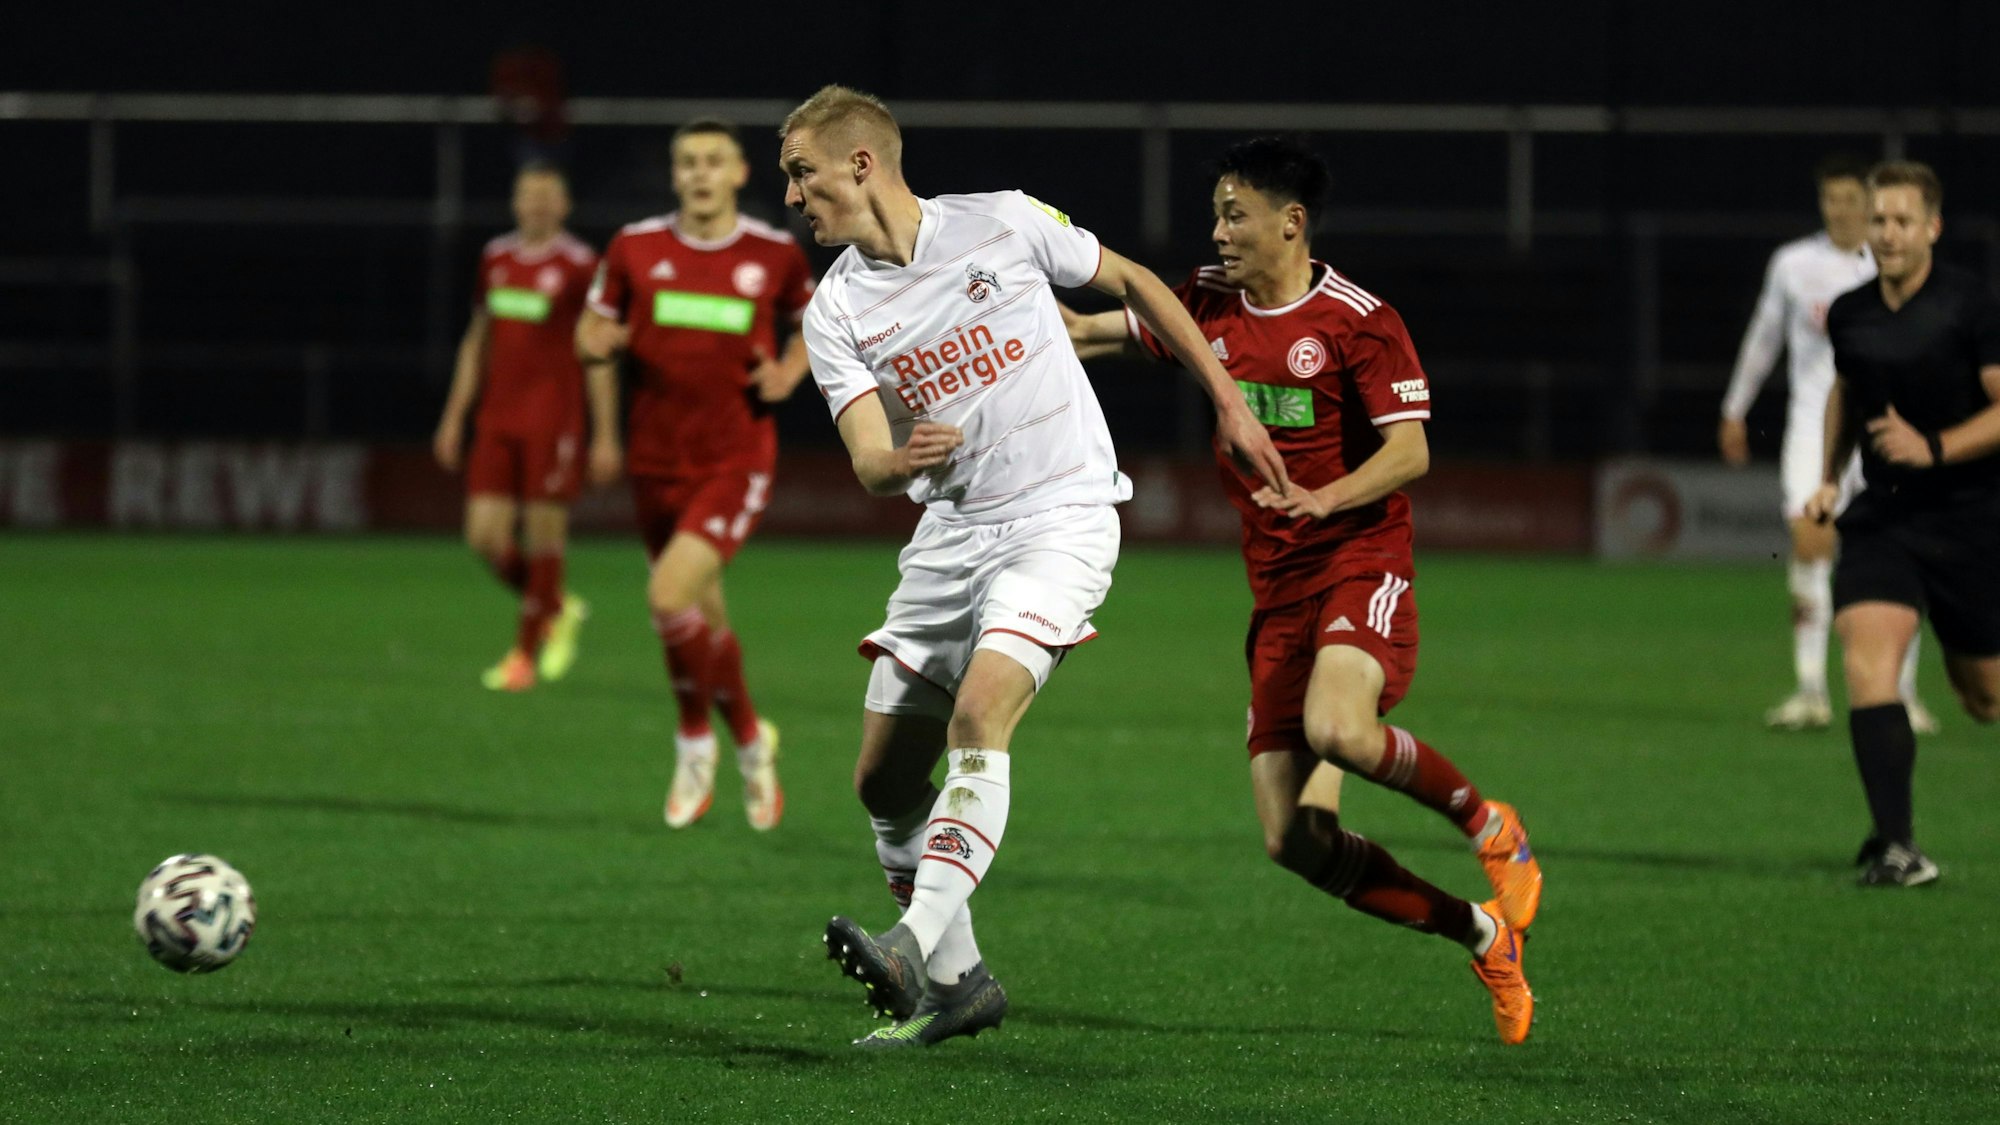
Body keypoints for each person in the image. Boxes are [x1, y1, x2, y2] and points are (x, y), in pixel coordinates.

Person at [778, 85, 1287, 1050]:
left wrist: (1228, 400)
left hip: (1060, 516)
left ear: (860, 163)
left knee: (982, 713)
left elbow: (1136, 282)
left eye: (801, 172)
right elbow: (869, 461)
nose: (794, 195)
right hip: (949, 535)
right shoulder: (835, 308)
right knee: (883, 781)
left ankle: (913, 941)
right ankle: (962, 984)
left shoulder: (1004, 222)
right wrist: (903, 458)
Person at [1066, 137, 1539, 1045]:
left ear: (1290, 223)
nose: (1219, 231)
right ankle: (1480, 932)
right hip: (1277, 591)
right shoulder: (1203, 301)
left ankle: (1493, 824)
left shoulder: (1359, 320)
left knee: (1339, 729)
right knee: (1293, 841)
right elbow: (1090, 330)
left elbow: (1412, 450)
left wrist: (1326, 494)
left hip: (1360, 558)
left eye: (1234, 214)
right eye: (1216, 214)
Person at [577, 120, 815, 833]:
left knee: (667, 594)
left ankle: (693, 742)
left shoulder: (772, 254)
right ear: (675, 175)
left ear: (741, 172)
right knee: (702, 616)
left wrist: (787, 372)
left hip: (734, 458)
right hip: (656, 460)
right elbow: (592, 336)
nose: (701, 173)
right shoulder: (635, 247)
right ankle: (751, 742)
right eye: (688, 162)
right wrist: (604, 423)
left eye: (714, 161)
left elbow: (816, 324)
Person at [1807, 160, 2000, 887]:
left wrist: (1937, 447)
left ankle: (1895, 837)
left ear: (1931, 227)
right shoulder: (1852, 312)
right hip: (1884, 516)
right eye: (1878, 220)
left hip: (1970, 520)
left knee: (1984, 698)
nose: (1886, 233)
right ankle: (1898, 844)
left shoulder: (1971, 306)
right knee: (1868, 655)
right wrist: (1827, 479)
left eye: (1900, 221)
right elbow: (1847, 396)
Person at [1721, 156, 1935, 733]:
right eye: (1831, 199)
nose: (1842, 209)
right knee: (1811, 542)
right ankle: (1812, 689)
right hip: (1813, 423)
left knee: (1897, 553)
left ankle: (1903, 693)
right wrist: (1734, 409)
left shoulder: (1890, 262)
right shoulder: (1794, 264)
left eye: (1851, 199)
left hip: (1887, 423)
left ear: (1870, 205)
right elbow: (1764, 338)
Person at [433, 163, 614, 692]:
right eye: (527, 195)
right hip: (497, 418)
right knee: (484, 538)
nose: (536, 205)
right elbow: (477, 339)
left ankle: (523, 655)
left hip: (553, 420)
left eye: (546, 196)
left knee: (543, 540)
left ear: (564, 205)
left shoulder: (581, 265)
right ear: (515, 203)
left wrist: (605, 433)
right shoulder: (497, 258)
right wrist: (453, 416)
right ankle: (557, 606)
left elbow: (599, 353)